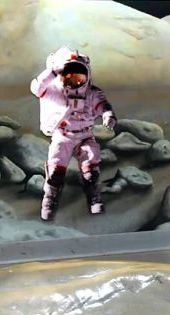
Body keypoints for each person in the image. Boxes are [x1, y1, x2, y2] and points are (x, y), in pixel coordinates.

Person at [30, 46, 117, 221]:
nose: (75, 80)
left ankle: (94, 200)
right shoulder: (55, 92)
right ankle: (49, 202)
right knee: (55, 172)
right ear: (61, 75)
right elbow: (36, 88)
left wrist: (108, 115)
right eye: (69, 76)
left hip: (85, 135)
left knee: (90, 168)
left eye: (79, 76)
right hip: (63, 136)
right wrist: (53, 72)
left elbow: (102, 104)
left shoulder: (92, 92)